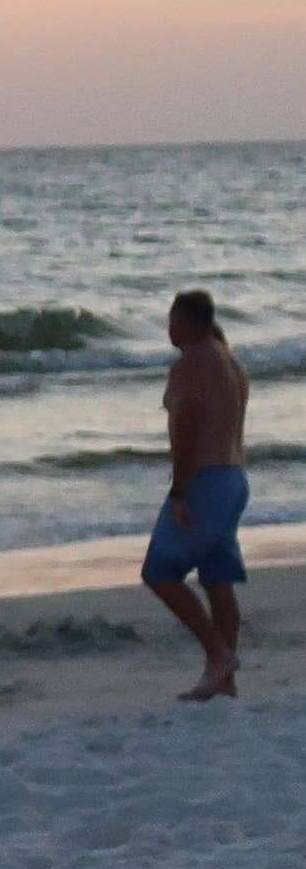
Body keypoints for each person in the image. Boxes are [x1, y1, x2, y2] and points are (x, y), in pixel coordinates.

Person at [144, 287, 251, 703]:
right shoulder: (231, 361)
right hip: (234, 477)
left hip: (205, 481)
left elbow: (185, 431)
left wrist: (179, 491)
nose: (168, 326)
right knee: (218, 578)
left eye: (173, 318)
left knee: (159, 572)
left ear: (188, 321)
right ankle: (222, 681)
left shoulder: (190, 365)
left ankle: (218, 655)